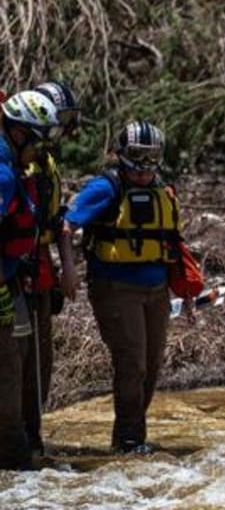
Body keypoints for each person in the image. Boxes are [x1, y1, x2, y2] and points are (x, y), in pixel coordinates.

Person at [60, 120, 184, 455]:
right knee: (132, 363)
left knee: (152, 365)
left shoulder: (162, 188)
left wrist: (184, 287)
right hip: (116, 288)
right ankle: (130, 441)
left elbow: (172, 241)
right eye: (137, 157)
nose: (144, 168)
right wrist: (68, 269)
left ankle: (130, 435)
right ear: (121, 155)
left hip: (157, 290)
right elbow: (67, 225)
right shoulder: (105, 188)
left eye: (152, 158)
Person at [0, 89, 62, 469]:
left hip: (11, 278)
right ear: (20, 133)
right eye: (39, 142)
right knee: (8, 379)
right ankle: (18, 469)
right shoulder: (4, 175)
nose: (41, 152)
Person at [17, 80, 80, 455]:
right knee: (17, 360)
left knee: (41, 363)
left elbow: (57, 222)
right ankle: (19, 438)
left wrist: (66, 267)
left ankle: (33, 434)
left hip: (42, 272)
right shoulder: (13, 161)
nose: (67, 130)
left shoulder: (47, 162)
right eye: (63, 120)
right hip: (16, 272)